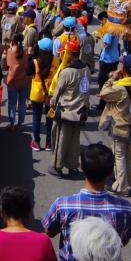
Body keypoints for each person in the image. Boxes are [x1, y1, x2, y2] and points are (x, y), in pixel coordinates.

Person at [42, 143, 131, 261]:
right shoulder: (125, 208)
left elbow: (49, 232)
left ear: (81, 167)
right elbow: (124, 239)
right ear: (111, 172)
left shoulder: (63, 205)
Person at [98, 54, 131, 197]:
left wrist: (112, 78)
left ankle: (120, 186)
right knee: (129, 154)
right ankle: (129, 182)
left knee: (119, 155)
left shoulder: (120, 88)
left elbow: (103, 93)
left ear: (123, 69)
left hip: (120, 126)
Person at [49, 37, 91, 177]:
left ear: (70, 53)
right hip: (80, 112)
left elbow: (57, 92)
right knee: (74, 141)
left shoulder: (67, 72)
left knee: (61, 140)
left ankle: (57, 166)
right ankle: (73, 166)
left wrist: (52, 103)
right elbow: (86, 90)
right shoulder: (86, 69)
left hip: (66, 111)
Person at [29, 38, 55, 151]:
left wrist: (30, 55)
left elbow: (27, 72)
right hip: (51, 93)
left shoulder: (35, 62)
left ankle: (37, 142)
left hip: (37, 93)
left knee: (36, 117)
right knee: (50, 118)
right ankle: (49, 143)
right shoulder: (57, 60)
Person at [4, 33, 31, 130]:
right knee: (22, 103)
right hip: (25, 81)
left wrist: (9, 49)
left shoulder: (10, 51)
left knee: (12, 103)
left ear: (13, 41)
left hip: (12, 80)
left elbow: (6, 65)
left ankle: (11, 124)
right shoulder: (26, 52)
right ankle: (20, 124)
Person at [96, 26, 121, 111]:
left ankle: (103, 104)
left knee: (103, 82)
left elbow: (107, 45)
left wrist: (101, 37)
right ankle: (110, 102)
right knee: (112, 81)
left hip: (107, 61)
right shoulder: (117, 28)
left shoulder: (110, 30)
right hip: (114, 59)